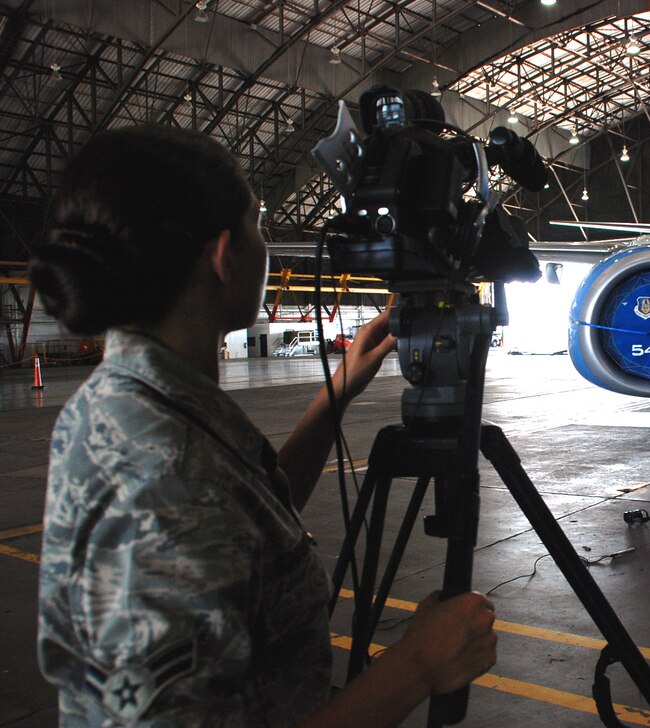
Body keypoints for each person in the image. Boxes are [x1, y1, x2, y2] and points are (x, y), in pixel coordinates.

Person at [31, 124, 497, 726]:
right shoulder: (161, 469)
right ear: (223, 255)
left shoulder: (145, 402)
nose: (265, 242)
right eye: (258, 222)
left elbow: (248, 513)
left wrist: (337, 390)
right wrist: (417, 666)